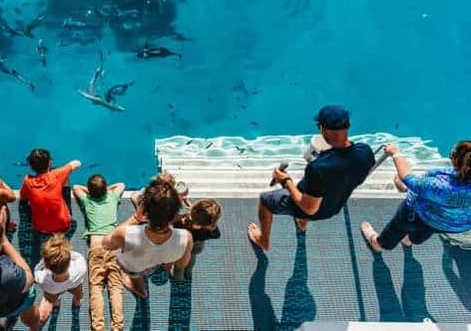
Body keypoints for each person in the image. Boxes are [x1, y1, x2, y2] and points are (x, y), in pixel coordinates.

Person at [248, 105, 374, 251]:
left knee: (265, 200)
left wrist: (285, 180)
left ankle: (263, 240)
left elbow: (309, 208)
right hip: (335, 204)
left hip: (314, 209)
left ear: (322, 129)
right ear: (349, 125)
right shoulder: (365, 152)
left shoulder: (319, 168)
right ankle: (302, 221)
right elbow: (352, 175)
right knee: (311, 193)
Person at [361, 141, 471, 251]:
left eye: (453, 154)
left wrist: (395, 153)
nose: (450, 155)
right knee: (426, 230)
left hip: (417, 215)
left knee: (398, 228)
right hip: (453, 224)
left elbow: (408, 179)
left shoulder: (441, 186)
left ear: (463, 165)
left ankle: (379, 244)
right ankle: (409, 240)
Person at [102, 179, 193, 299]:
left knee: (134, 275)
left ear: (144, 210)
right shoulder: (186, 238)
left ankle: (140, 291)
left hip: (133, 265)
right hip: (160, 260)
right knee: (153, 264)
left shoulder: (124, 234)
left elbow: (106, 244)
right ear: (175, 213)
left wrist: (136, 218)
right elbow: (181, 264)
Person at [72, 174, 125, 331]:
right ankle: (118, 327)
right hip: (113, 245)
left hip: (96, 246)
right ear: (105, 189)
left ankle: (98, 327)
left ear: (90, 191)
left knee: (96, 287)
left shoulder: (88, 201)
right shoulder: (113, 197)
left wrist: (90, 192)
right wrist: (107, 190)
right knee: (115, 288)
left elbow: (75, 187)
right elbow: (121, 184)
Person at [19, 149, 81, 235]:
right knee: (65, 178)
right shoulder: (57, 174)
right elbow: (77, 163)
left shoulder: (27, 181)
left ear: (31, 166)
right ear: (49, 163)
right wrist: (61, 169)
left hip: (39, 228)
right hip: (63, 226)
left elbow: (23, 199)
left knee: (27, 200)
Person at [33, 234, 86, 324]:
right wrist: (67, 253)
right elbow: (79, 257)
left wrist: (44, 261)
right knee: (78, 293)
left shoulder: (42, 279)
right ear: (69, 259)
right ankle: (77, 302)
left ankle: (56, 303)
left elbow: (36, 270)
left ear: (47, 265)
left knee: (51, 297)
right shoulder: (80, 269)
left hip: (52, 289)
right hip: (74, 284)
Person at [172, 198, 222, 280]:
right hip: (197, 247)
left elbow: (172, 226)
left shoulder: (181, 223)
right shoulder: (208, 229)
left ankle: (178, 280)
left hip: (182, 247)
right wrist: (212, 227)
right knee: (191, 259)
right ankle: (188, 273)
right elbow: (217, 235)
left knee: (179, 266)